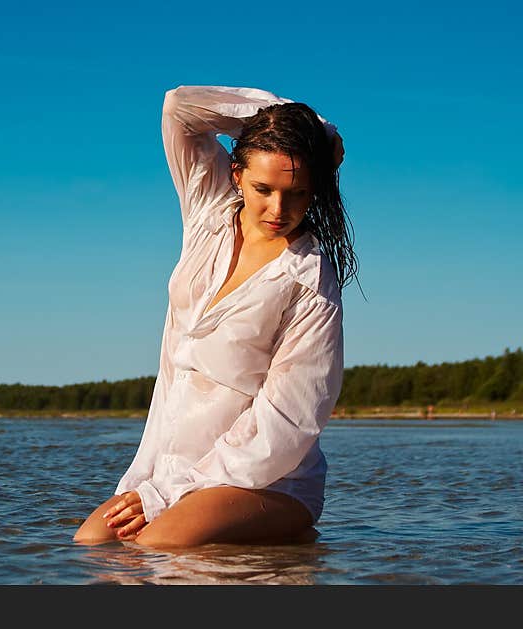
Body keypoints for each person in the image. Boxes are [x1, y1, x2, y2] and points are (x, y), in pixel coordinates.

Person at [74, 84, 356, 548]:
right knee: (92, 546)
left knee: (156, 548)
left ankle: (286, 531)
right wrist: (310, 125)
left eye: (298, 193)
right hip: (164, 466)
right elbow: (179, 109)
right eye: (263, 189)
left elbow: (289, 418)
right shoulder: (207, 213)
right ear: (237, 173)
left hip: (264, 479)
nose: (278, 209)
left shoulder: (310, 280)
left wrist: (167, 495)